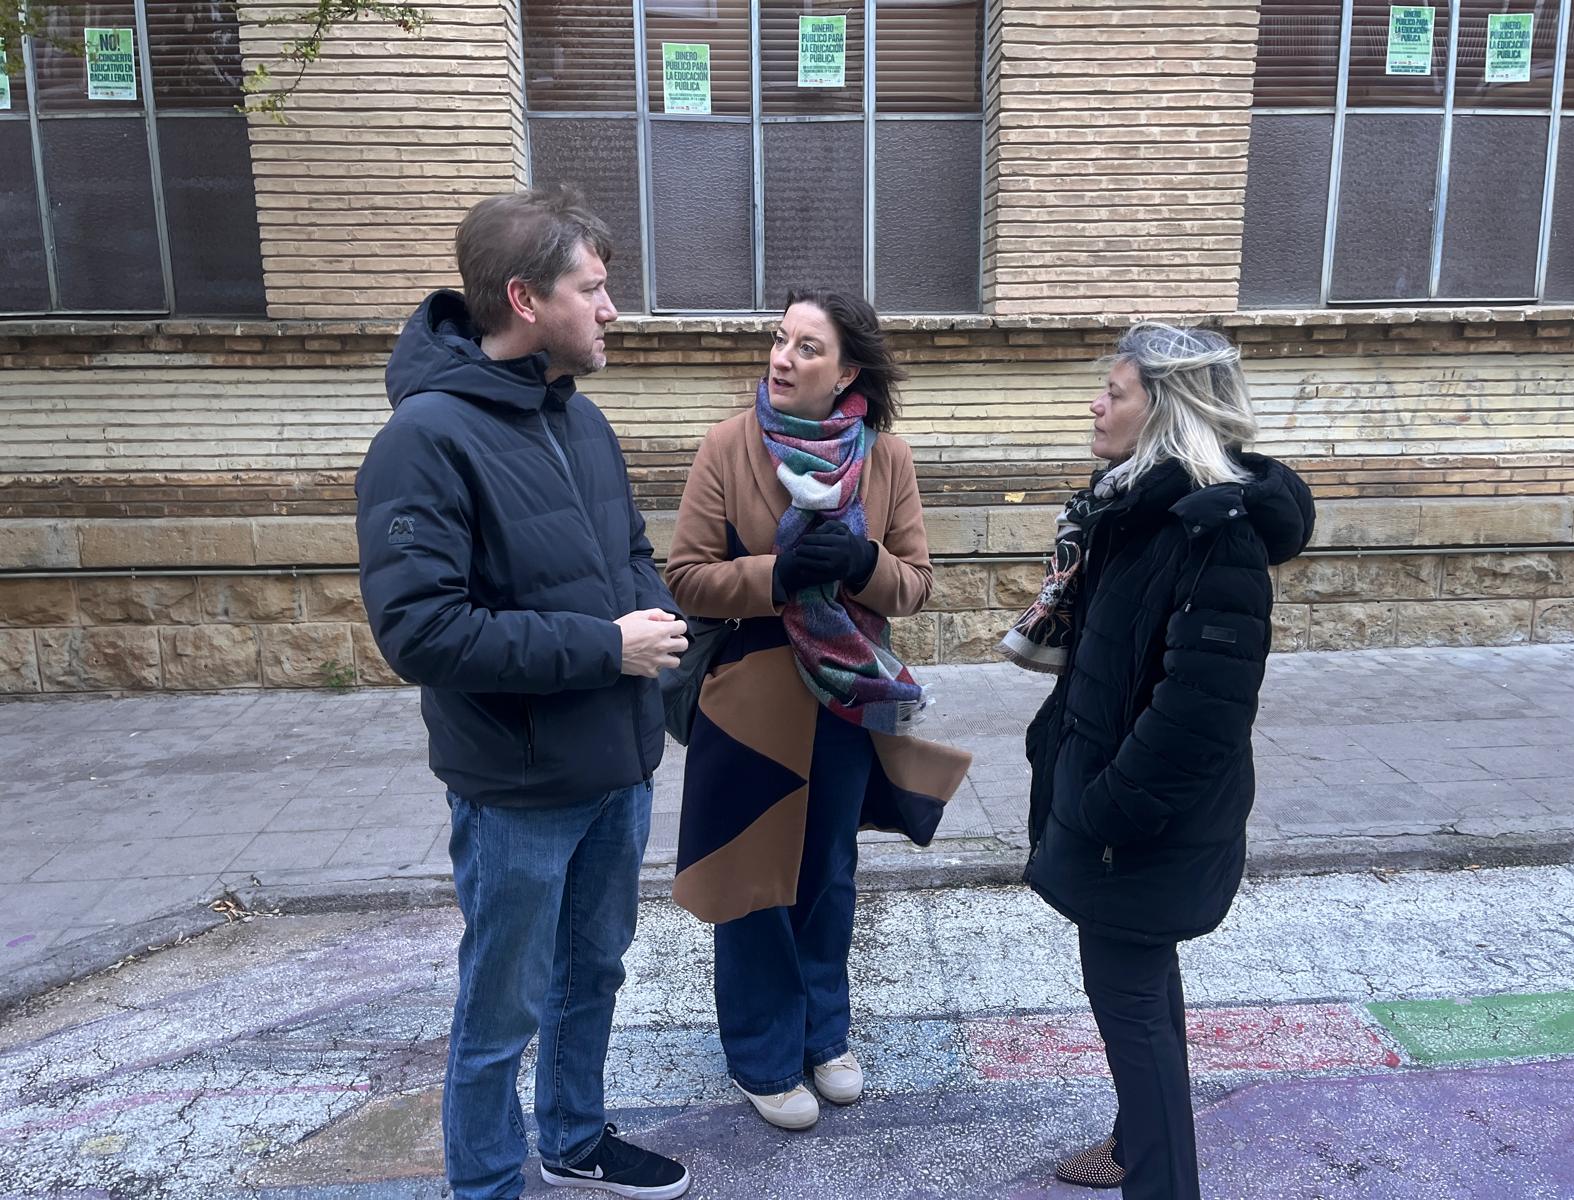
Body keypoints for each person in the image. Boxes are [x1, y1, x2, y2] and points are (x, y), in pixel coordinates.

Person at [354, 185, 691, 1200]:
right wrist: (604, 646)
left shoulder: (578, 421)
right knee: (502, 1006)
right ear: (525, 299)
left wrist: (653, 633)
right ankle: (488, 1182)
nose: (613, 308)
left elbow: (629, 551)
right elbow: (419, 631)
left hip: (616, 768)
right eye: (593, 288)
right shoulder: (425, 440)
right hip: (515, 790)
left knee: (595, 975)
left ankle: (575, 1138)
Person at [1010, 323, 1314, 1198]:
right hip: (1115, 805)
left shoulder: (1212, 536)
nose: (1096, 404)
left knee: (1131, 1001)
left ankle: (1159, 1174)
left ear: (1165, 410)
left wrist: (1107, 808)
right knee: (1138, 986)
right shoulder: (1129, 510)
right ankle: (1132, 1141)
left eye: (1116, 391)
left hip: (1141, 820)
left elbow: (1201, 714)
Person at [665, 289, 972, 1131]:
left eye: (806, 347)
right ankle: (762, 1053)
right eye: (779, 339)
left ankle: (824, 1035)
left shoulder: (887, 458)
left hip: (845, 702)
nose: (781, 358)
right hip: (752, 700)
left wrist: (862, 559)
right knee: (756, 879)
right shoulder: (729, 446)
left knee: (827, 875)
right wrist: (777, 576)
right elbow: (685, 575)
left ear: (847, 374)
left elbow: (914, 584)